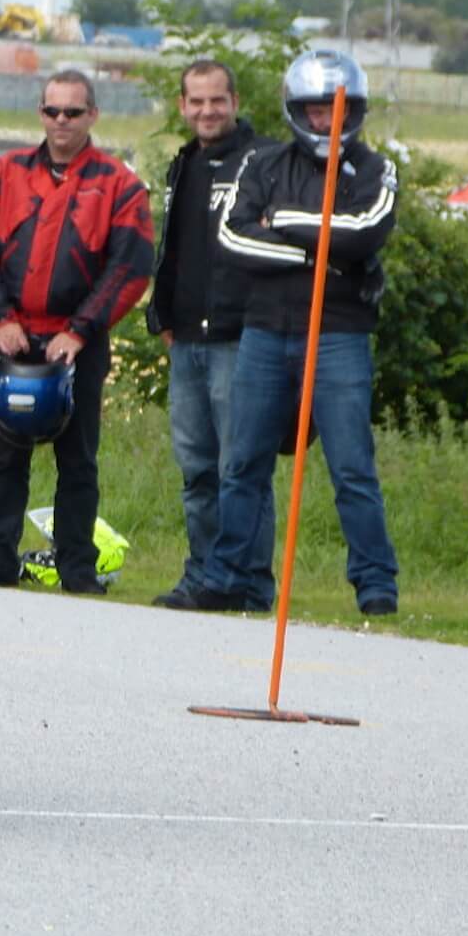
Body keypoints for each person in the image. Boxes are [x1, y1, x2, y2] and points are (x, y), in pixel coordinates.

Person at [199, 49, 400, 616]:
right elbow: (233, 239)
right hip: (265, 332)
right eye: (313, 111)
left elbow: (364, 230)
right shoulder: (261, 164)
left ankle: (376, 583)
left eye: (335, 110)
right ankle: (229, 575)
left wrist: (282, 223)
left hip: (339, 335)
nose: (323, 121)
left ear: (354, 111)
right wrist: (318, 255)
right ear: (295, 110)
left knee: (352, 465)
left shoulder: (377, 169)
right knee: (242, 462)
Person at [0, 69, 153, 593]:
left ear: (93, 115)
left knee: (78, 458)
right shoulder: (3, 173)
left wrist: (82, 330)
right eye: (51, 111)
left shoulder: (120, 185)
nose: (61, 121)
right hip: (11, 337)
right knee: (5, 455)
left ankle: (77, 567)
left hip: (77, 344)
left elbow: (130, 267)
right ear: (39, 113)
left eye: (72, 111)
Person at [148, 61, 281, 611]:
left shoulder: (266, 160)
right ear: (182, 106)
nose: (206, 111)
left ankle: (247, 583)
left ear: (235, 100)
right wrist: (163, 317)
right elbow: (174, 249)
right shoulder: (185, 163)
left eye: (216, 101)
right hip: (186, 342)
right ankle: (202, 575)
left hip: (240, 337)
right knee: (197, 469)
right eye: (196, 102)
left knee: (241, 467)